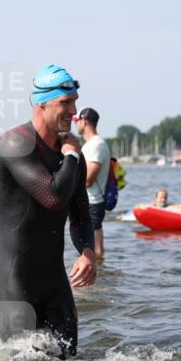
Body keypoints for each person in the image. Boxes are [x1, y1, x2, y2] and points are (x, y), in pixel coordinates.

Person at [0, 65, 96, 359]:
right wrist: (72, 155)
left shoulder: (70, 153)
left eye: (74, 101)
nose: (73, 111)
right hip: (16, 282)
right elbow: (52, 197)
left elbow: (81, 215)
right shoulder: (16, 144)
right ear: (42, 103)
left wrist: (87, 252)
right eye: (65, 102)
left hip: (54, 282)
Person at [75, 107, 111, 259]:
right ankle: (100, 275)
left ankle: (97, 278)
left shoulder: (96, 145)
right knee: (94, 248)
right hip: (91, 202)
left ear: (84, 122)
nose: (76, 124)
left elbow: (88, 180)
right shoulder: (90, 144)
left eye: (77, 121)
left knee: (94, 249)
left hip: (93, 202)